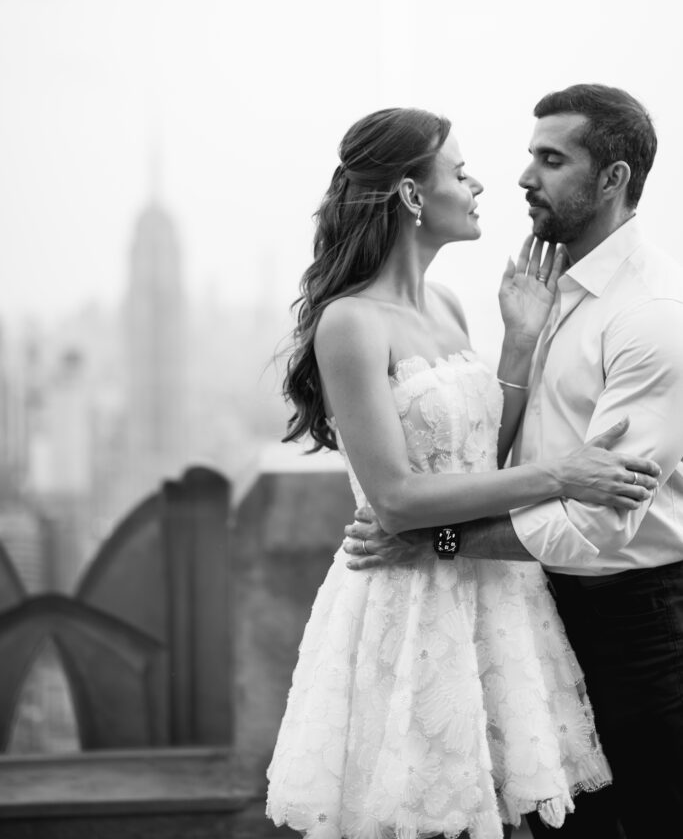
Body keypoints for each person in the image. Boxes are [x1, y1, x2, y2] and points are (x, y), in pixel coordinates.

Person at [265, 106, 661, 839]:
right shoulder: (350, 322)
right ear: (412, 196)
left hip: (498, 601)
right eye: (459, 171)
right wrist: (560, 476)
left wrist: (516, 344)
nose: (483, 184)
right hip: (409, 604)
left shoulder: (447, 303)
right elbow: (394, 500)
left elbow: (480, 455)